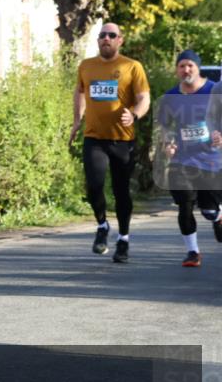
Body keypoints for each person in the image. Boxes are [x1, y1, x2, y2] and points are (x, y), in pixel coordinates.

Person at [69, 22, 150, 263]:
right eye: (102, 35)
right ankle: (102, 225)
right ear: (98, 40)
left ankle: (123, 239)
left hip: (122, 140)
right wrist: (76, 121)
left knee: (121, 191)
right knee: (94, 186)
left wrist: (134, 114)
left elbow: (144, 98)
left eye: (111, 35)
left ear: (120, 40)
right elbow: (80, 91)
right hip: (94, 137)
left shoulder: (132, 67)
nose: (106, 38)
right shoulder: (86, 66)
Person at [157, 49, 222, 267]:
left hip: (213, 160)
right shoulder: (171, 97)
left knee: (209, 210)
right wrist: (168, 142)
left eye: (190, 65)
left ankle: (217, 216)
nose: (186, 70)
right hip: (183, 160)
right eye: (181, 66)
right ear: (176, 70)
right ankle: (193, 252)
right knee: (184, 203)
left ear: (198, 68)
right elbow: (165, 126)